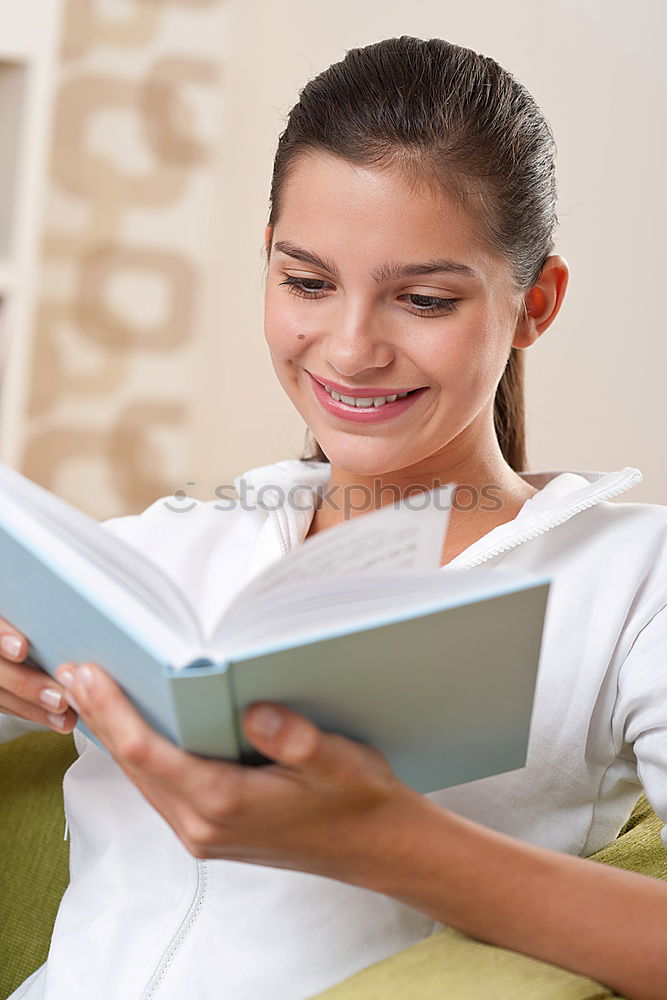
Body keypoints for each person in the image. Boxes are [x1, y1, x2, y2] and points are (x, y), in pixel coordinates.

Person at [1, 34, 666, 1000]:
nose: (350, 350)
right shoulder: (168, 546)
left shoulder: (631, 581)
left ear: (534, 304)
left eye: (424, 299)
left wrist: (388, 843)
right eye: (306, 282)